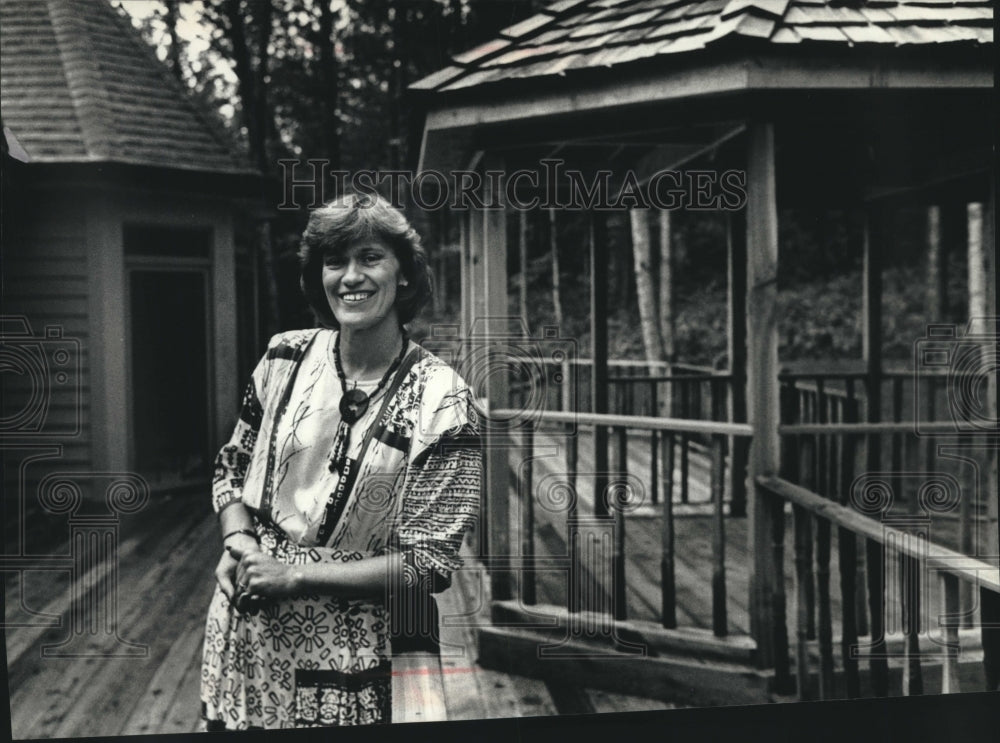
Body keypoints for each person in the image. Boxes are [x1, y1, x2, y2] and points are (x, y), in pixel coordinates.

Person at [200, 192, 482, 728]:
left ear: (403, 274)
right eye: (335, 261)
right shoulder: (283, 357)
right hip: (249, 630)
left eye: (370, 257)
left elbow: (428, 565)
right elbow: (232, 466)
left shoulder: (443, 400)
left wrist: (298, 577)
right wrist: (238, 542)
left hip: (359, 652)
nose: (350, 276)